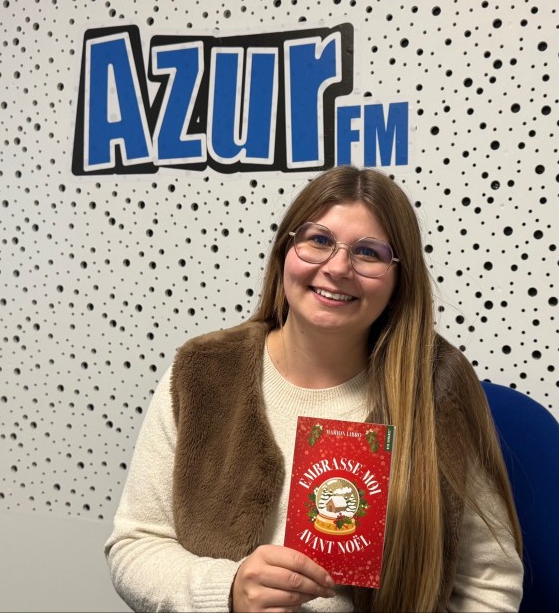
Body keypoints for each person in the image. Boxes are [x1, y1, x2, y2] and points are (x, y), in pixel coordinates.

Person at [105, 166, 523, 612]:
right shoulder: (203, 371)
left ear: (400, 278)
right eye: (319, 240)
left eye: (369, 253)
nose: (338, 268)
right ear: (285, 250)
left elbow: (489, 586)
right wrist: (227, 590)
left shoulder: (438, 386)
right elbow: (136, 545)